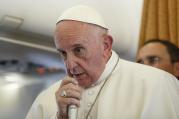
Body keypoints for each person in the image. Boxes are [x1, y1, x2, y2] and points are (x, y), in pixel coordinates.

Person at [26, 5, 179, 119]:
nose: (70, 65)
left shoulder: (156, 84)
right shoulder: (46, 99)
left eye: (78, 50)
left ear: (106, 45)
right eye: (63, 53)